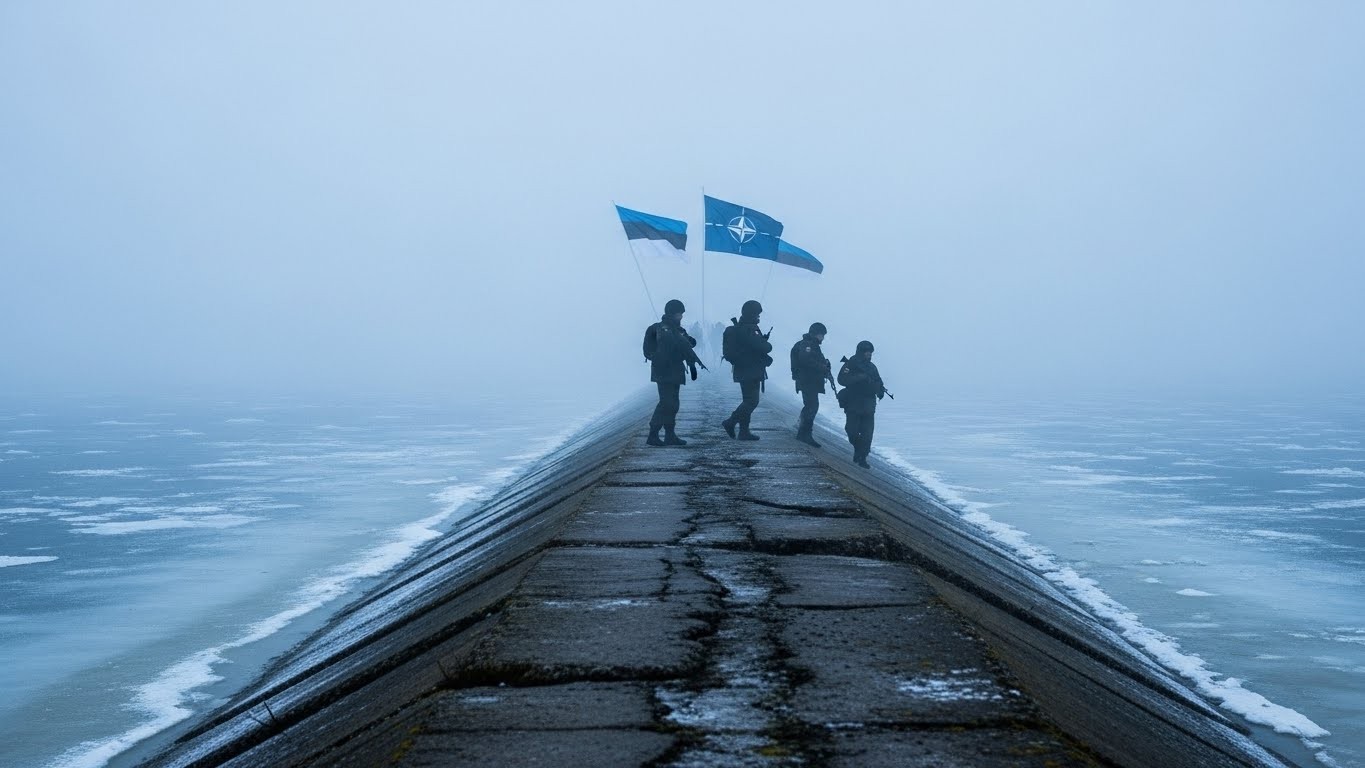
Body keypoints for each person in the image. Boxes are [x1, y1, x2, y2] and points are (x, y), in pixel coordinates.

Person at [642, 299, 705, 446]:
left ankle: (670, 435)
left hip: (676, 370)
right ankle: (653, 434)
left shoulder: (680, 331)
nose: (681, 317)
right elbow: (647, 351)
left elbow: (690, 344)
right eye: (679, 314)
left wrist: (687, 341)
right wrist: (659, 358)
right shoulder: (655, 329)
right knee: (666, 403)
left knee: (674, 404)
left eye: (681, 314)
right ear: (671, 313)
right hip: (663, 371)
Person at [720, 299, 772, 441]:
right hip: (751, 370)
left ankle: (744, 432)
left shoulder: (740, 328)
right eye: (757, 314)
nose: (759, 317)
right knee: (751, 401)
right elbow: (765, 347)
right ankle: (730, 422)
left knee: (747, 400)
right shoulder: (750, 329)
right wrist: (765, 342)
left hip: (743, 369)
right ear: (752, 314)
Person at [836, 340, 886, 468]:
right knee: (851, 430)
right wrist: (859, 377)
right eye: (867, 353)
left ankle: (863, 457)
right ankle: (858, 449)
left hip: (869, 404)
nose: (869, 355)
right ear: (860, 352)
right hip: (853, 402)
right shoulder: (850, 364)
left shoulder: (872, 367)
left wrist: (880, 390)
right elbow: (841, 379)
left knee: (867, 433)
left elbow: (878, 380)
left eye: (870, 353)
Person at [790, 322, 832, 447]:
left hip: (809, 381)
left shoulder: (811, 345)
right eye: (821, 335)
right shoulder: (807, 345)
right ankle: (804, 434)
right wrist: (822, 367)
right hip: (807, 381)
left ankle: (802, 431)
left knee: (810, 406)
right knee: (812, 406)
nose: (822, 338)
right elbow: (806, 360)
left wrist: (824, 367)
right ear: (815, 334)